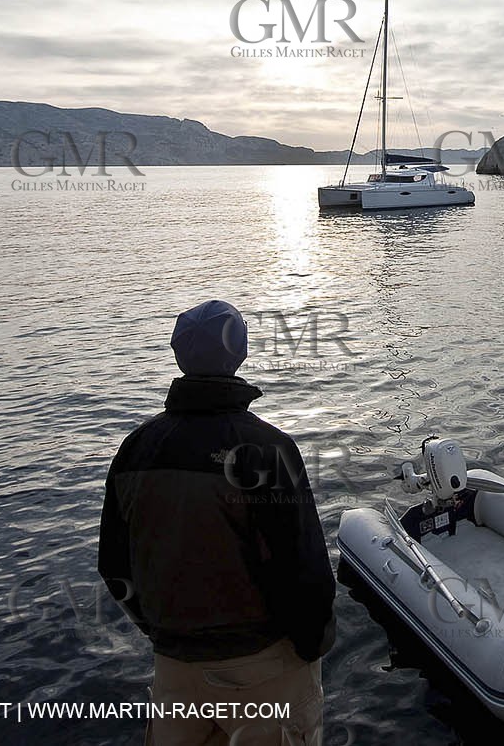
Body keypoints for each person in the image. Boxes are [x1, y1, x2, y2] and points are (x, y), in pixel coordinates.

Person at [100, 300, 336, 746]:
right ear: (239, 354)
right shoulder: (268, 449)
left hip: (174, 670)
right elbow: (305, 568)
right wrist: (310, 646)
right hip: (265, 668)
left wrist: (161, 630)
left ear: (179, 354)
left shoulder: (136, 448)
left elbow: (113, 564)